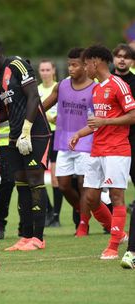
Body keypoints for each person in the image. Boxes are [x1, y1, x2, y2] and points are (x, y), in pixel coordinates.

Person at [0, 38, 51, 251]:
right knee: (20, 184)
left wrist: (27, 129)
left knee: (35, 181)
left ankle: (38, 238)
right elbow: (4, 111)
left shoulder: (17, 65)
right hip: (14, 137)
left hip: (35, 133)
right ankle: (25, 235)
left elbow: (33, 97)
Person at [69, 45, 134, 260]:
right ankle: (120, 233)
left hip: (117, 149)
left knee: (116, 196)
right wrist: (80, 132)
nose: (85, 68)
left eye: (86, 63)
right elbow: (97, 122)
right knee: (90, 198)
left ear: (95, 62)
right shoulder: (96, 89)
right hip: (97, 149)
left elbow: (133, 115)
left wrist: (105, 121)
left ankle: (114, 246)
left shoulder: (119, 85)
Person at [43, 48, 101, 236]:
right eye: (69, 64)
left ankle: (83, 224)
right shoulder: (62, 86)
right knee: (64, 185)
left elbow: (99, 118)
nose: (70, 68)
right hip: (63, 142)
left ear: (85, 66)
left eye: (74, 65)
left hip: (86, 141)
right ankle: (81, 210)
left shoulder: (95, 89)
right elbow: (44, 105)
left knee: (84, 184)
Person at [112, 43, 135, 268]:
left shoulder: (134, 83)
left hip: (131, 143)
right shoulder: (105, 82)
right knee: (102, 192)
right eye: (118, 56)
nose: (122, 60)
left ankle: (123, 244)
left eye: (126, 58)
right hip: (109, 145)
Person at [38, 59, 61, 227]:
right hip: (41, 135)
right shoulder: (36, 90)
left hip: (57, 134)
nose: (45, 72)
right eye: (42, 70)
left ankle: (56, 216)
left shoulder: (60, 87)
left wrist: (58, 119)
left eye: (48, 69)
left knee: (55, 178)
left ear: (53, 71)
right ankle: (49, 211)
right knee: (37, 175)